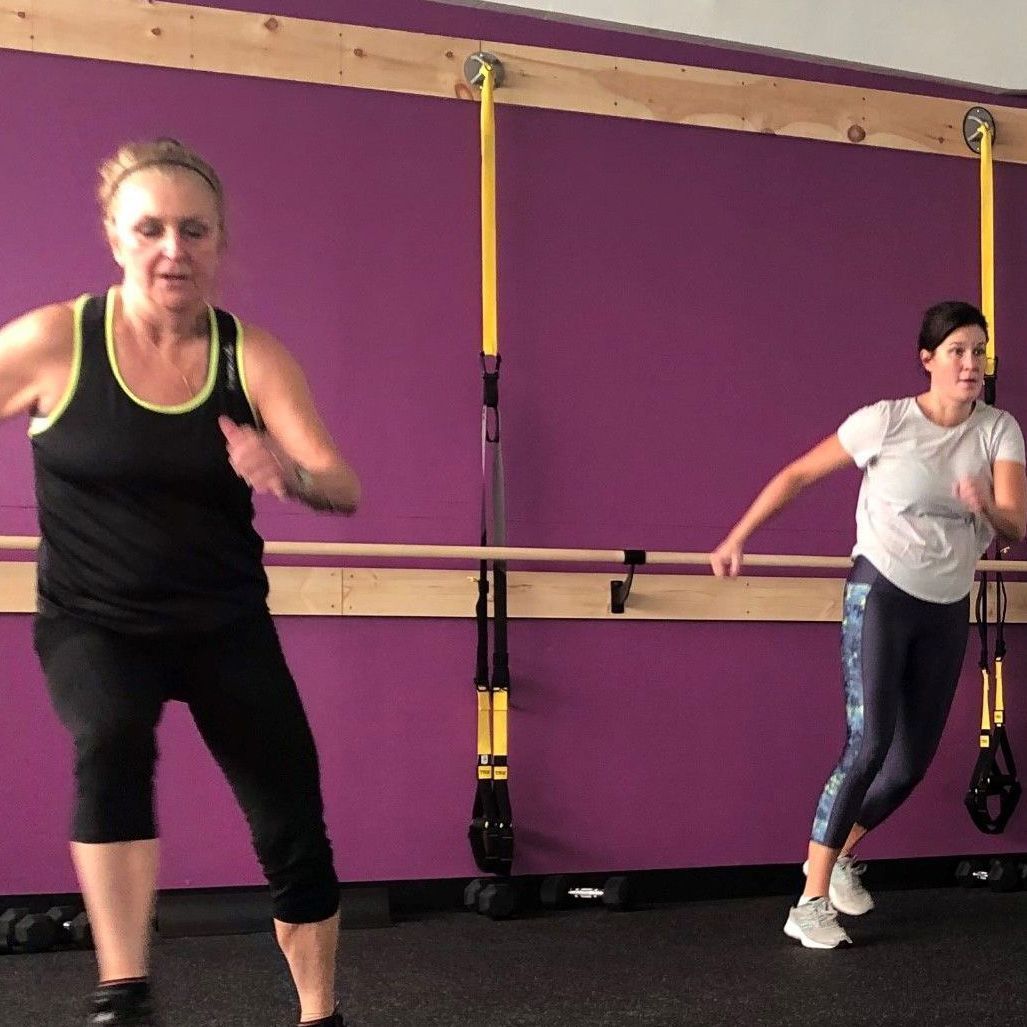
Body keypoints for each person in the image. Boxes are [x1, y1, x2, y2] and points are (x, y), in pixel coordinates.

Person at [0, 138, 361, 1024]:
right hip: (93, 618)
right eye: (151, 228)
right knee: (111, 733)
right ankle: (125, 991)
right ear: (115, 237)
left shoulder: (251, 355)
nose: (174, 248)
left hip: (223, 623)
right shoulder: (57, 339)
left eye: (194, 230)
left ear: (218, 241)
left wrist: (288, 472)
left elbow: (341, 485)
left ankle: (319, 1011)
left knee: (291, 819)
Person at [710, 301, 1027, 948]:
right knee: (867, 744)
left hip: (946, 605)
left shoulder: (999, 430)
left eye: (979, 351)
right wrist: (737, 536)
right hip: (880, 594)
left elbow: (1016, 527)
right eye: (958, 351)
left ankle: (836, 854)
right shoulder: (884, 421)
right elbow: (798, 472)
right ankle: (809, 901)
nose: (971, 364)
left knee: (909, 763)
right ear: (928, 359)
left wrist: (985, 506)